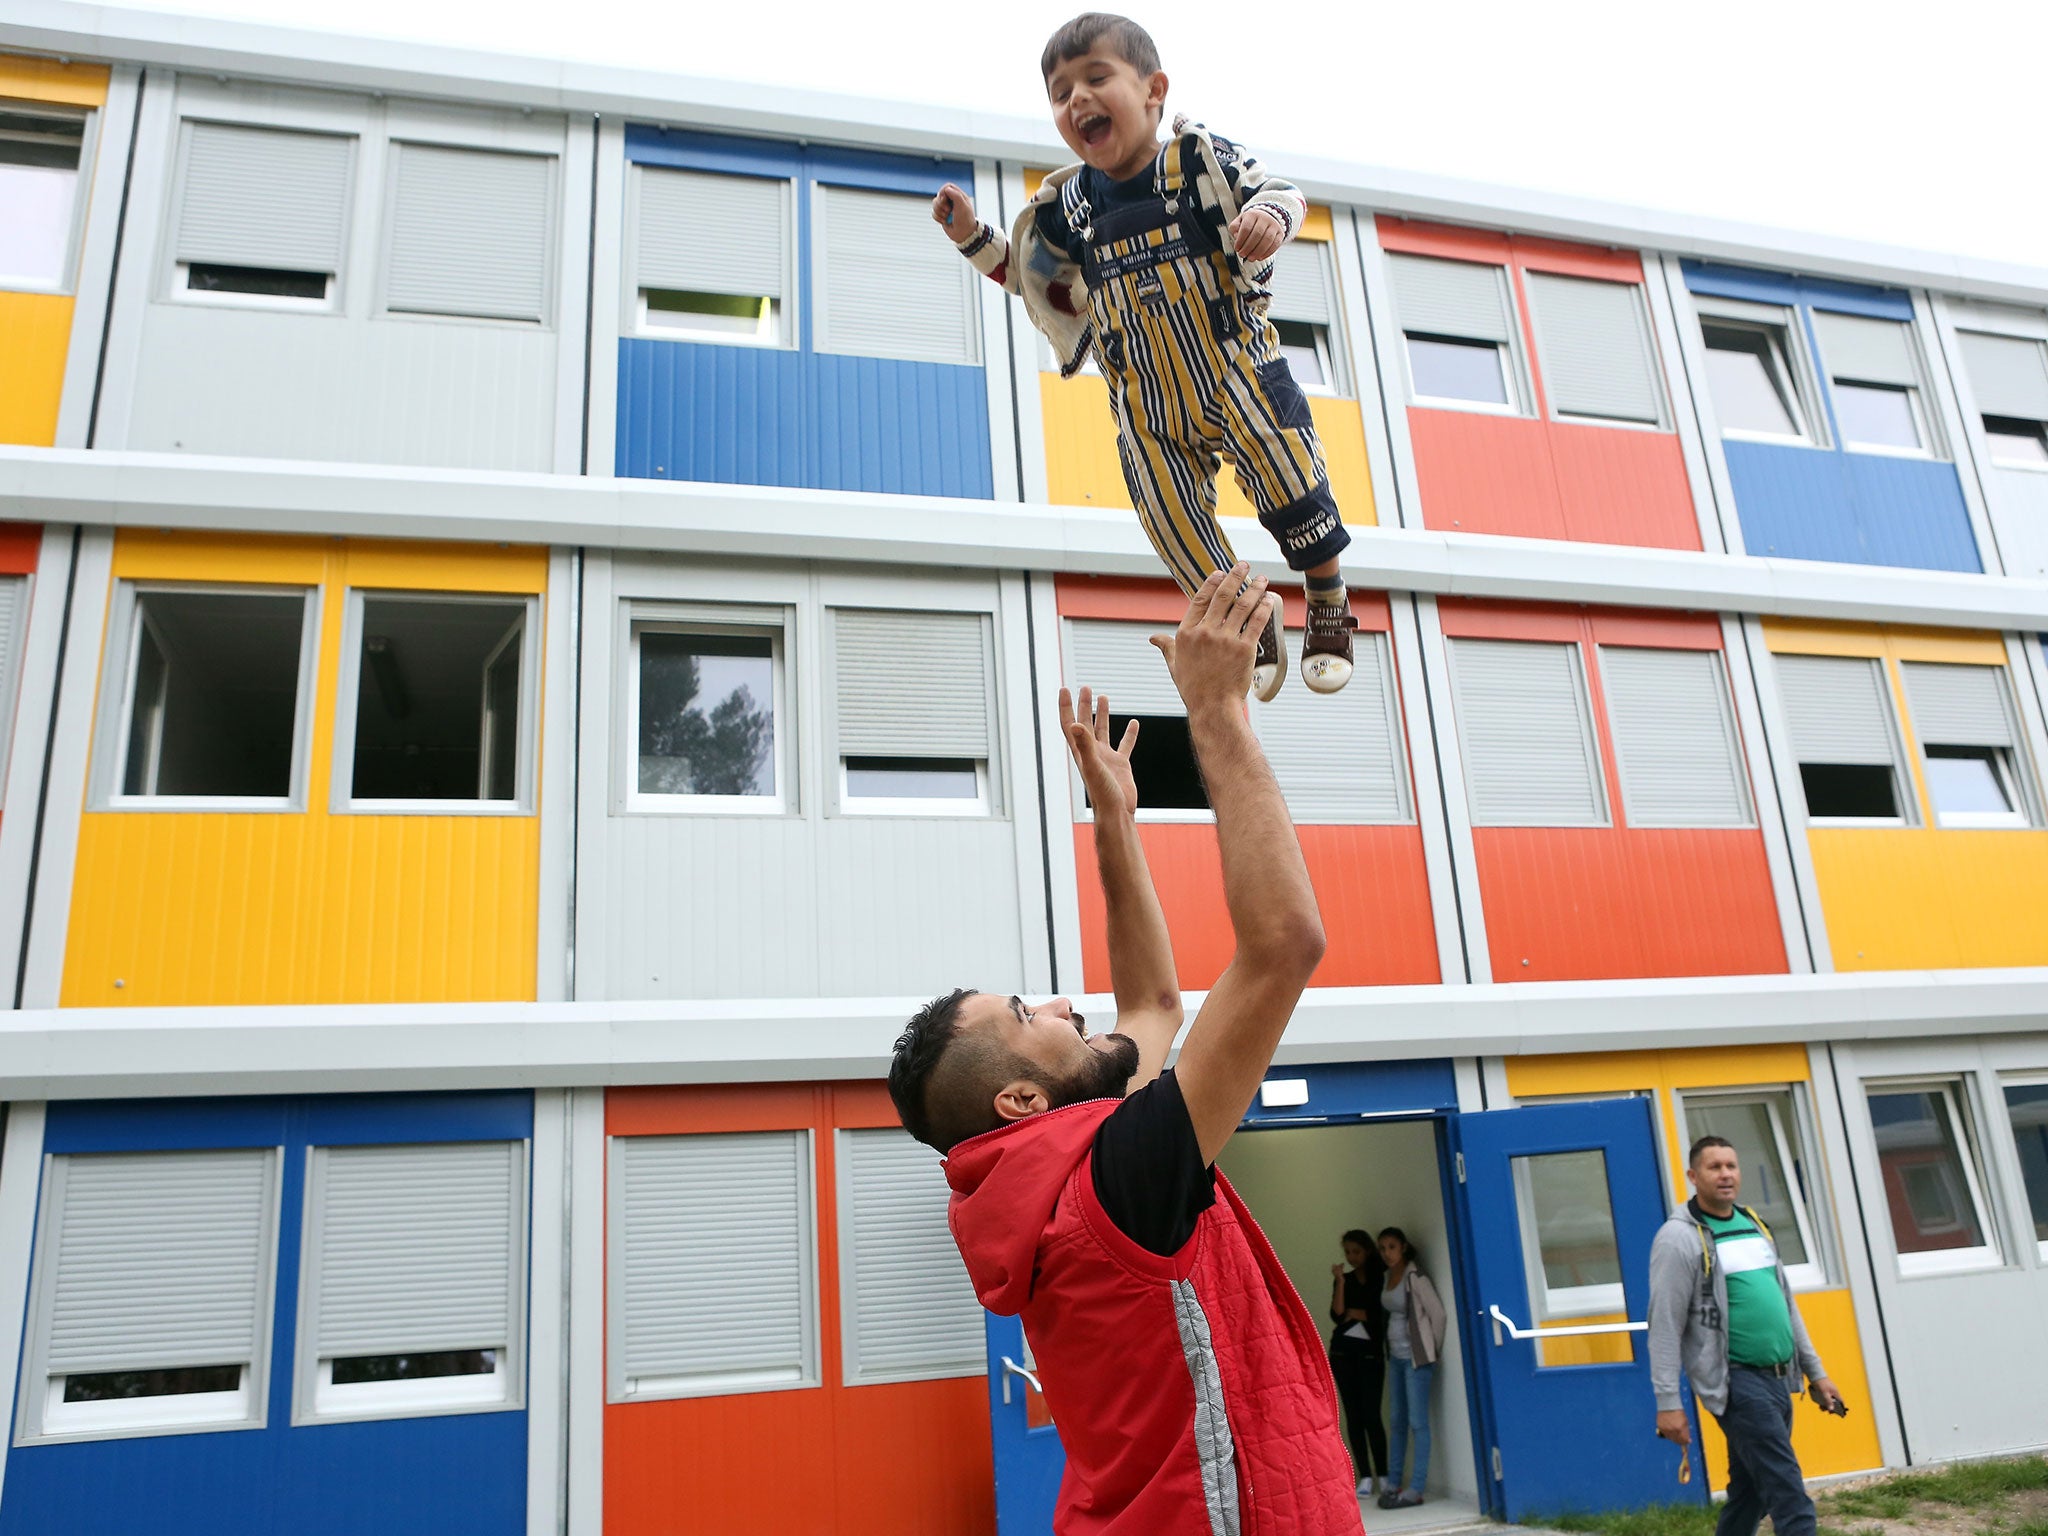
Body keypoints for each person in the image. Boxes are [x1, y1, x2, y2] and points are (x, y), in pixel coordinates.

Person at [889, 563, 1361, 1535]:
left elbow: (1149, 1003)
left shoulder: (1059, 1187)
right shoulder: (1112, 1184)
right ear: (1018, 1100)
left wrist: (1114, 818)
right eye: (1029, 1012)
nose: (1064, 1003)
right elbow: (1282, 945)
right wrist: (1217, 713)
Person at [930, 12, 1358, 703]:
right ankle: (1252, 618)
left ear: (1154, 89)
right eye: (1060, 91)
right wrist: (972, 236)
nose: (1077, 100)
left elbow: (1281, 192)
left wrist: (1270, 221)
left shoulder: (1196, 161)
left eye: (1096, 78)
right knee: (1166, 518)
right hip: (1145, 398)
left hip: (1231, 368)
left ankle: (1328, 594)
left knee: (1288, 474)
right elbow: (1037, 283)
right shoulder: (1069, 204)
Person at [1649, 1135, 1848, 1536]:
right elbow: (1664, 1324)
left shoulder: (1754, 1224)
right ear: (1693, 1175)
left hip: (1779, 1378)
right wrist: (1668, 1402)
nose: (1725, 1174)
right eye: (1714, 1167)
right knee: (1787, 1490)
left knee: (1751, 1492)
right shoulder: (1679, 1239)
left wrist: (1817, 1373)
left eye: (1731, 1166)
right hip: (1737, 1382)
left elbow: (1786, 1304)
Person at [1376, 1226, 1447, 1510]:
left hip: (1417, 1360)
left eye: (1391, 1247)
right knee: (1397, 1421)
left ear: (1403, 1247)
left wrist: (1432, 1349)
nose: (1387, 1253)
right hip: (1396, 1358)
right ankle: (1394, 1483)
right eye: (1382, 1248)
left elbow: (1438, 1315)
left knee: (1418, 1422)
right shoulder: (1387, 1277)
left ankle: (1416, 1488)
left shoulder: (1415, 1276)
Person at [1329, 1228, 1389, 1499]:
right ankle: (1365, 1475)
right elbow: (1337, 1314)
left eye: (1356, 1251)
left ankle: (1384, 1474)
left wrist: (1359, 1313)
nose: (1351, 1257)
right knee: (1353, 1415)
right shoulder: (1347, 1279)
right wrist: (1340, 1281)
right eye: (1347, 1252)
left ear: (1367, 1251)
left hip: (1370, 1353)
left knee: (1372, 1415)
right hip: (1343, 1353)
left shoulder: (1380, 1278)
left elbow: (1378, 1315)